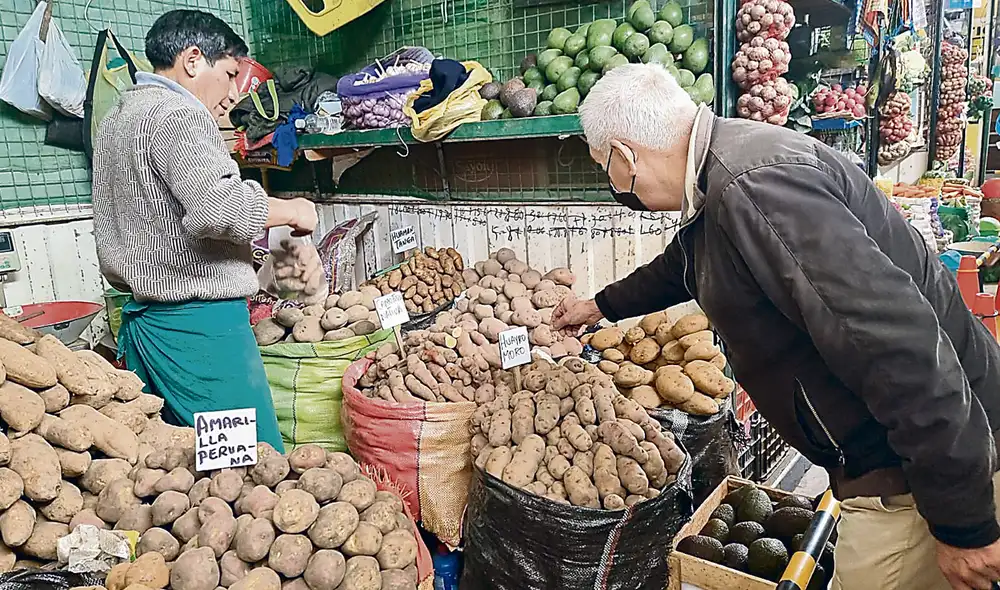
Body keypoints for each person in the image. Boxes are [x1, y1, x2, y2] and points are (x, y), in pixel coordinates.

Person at [552, 63, 1000, 590]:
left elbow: (899, 347)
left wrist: (961, 521)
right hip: (901, 458)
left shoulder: (756, 188)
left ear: (626, 156)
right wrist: (599, 306)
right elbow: (684, 263)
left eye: (606, 169)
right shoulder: (724, 171)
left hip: (911, 477)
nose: (614, 186)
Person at [92, 9, 319, 452]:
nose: (234, 93)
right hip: (201, 330)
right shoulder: (177, 113)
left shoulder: (119, 117)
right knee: (256, 461)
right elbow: (215, 209)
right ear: (193, 60)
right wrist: (291, 210)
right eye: (231, 74)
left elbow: (162, 219)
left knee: (187, 465)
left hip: (150, 323)